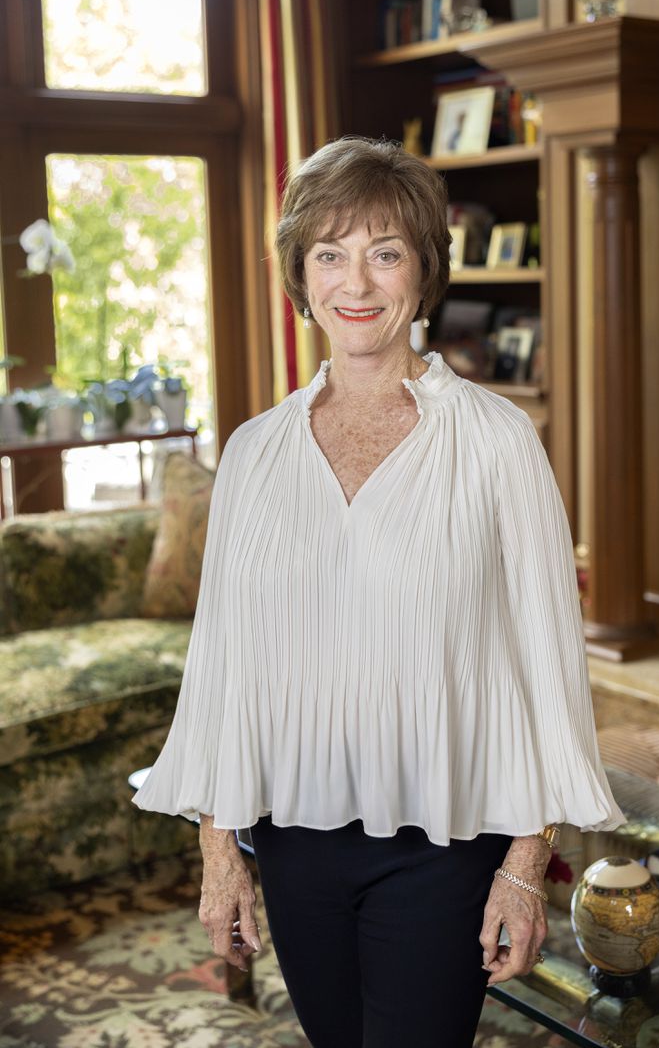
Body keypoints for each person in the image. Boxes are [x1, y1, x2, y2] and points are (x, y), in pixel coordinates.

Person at [133, 136, 625, 1048]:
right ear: (302, 274)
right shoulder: (254, 452)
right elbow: (224, 665)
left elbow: (548, 666)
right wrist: (220, 851)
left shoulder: (497, 444)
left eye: (384, 252)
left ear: (422, 272)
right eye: (330, 253)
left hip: (444, 842)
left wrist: (525, 865)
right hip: (292, 838)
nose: (355, 281)